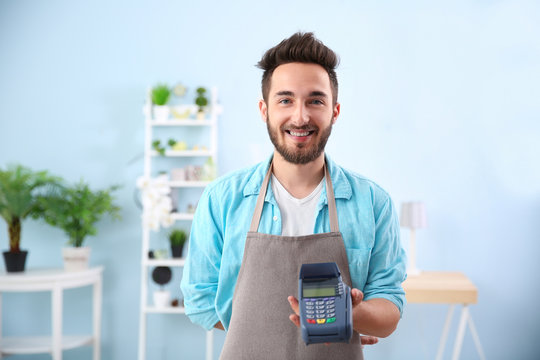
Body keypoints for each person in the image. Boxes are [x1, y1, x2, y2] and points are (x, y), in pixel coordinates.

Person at [181, 32, 407, 359]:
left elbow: (388, 312)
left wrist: (350, 317)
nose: (300, 117)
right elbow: (200, 302)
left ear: (335, 110)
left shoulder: (372, 203)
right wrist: (270, 330)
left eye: (315, 100)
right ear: (264, 109)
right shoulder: (222, 199)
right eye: (285, 100)